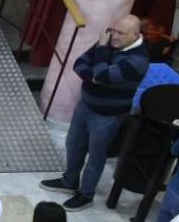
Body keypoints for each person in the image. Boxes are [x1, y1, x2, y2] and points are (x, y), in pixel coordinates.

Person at [40, 15, 149, 209]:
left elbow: (101, 74)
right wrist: (97, 74)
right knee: (73, 144)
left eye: (120, 33)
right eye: (113, 30)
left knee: (96, 156)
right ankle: (69, 180)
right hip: (86, 106)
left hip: (107, 115)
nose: (114, 36)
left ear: (135, 35)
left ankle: (86, 194)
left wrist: (101, 52)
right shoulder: (107, 43)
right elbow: (79, 64)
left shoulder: (137, 61)